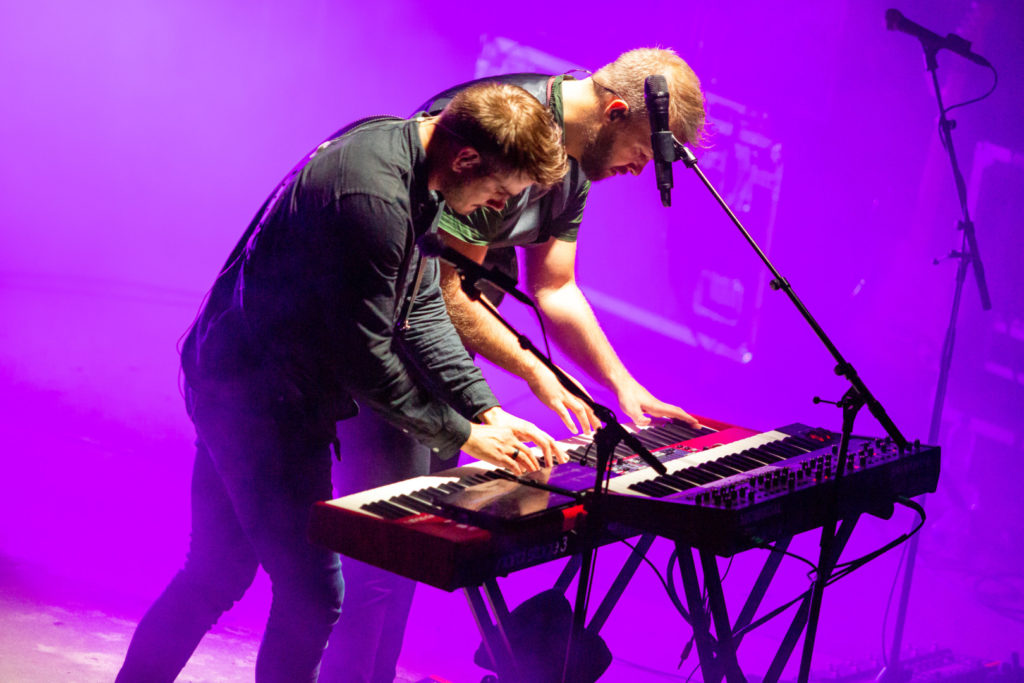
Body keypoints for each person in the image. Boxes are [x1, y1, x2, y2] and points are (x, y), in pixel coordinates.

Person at [113, 82, 568, 683]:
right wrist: (458, 433)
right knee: (312, 596)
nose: (491, 206)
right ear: (465, 158)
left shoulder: (414, 165)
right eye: (496, 190)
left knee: (215, 573)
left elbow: (422, 305)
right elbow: (369, 358)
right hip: (255, 397)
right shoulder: (372, 197)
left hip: (254, 385)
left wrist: (483, 410)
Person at [322, 47, 708, 683]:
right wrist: (536, 372)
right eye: (641, 151)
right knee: (378, 568)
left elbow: (555, 288)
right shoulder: (513, 130)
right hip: (387, 350)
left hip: (443, 364)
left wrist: (622, 386)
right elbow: (443, 290)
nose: (641, 170)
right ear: (615, 111)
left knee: (413, 558)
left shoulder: (579, 162)